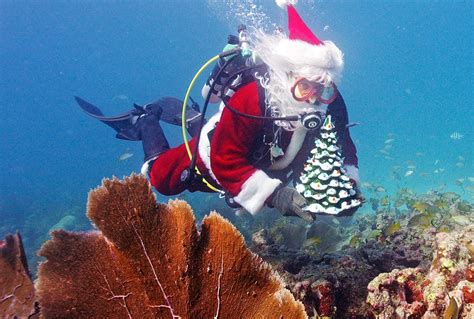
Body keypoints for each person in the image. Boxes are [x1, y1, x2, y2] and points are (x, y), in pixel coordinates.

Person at [76, 0, 361, 222]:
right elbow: (225, 159)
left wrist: (347, 181)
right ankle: (145, 120)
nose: (314, 97)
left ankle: (194, 119)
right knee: (161, 179)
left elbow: (342, 141)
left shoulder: (330, 101)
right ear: (287, 76)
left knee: (239, 140)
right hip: (214, 156)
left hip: (265, 160)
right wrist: (275, 197)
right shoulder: (251, 100)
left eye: (323, 88)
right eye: (304, 86)